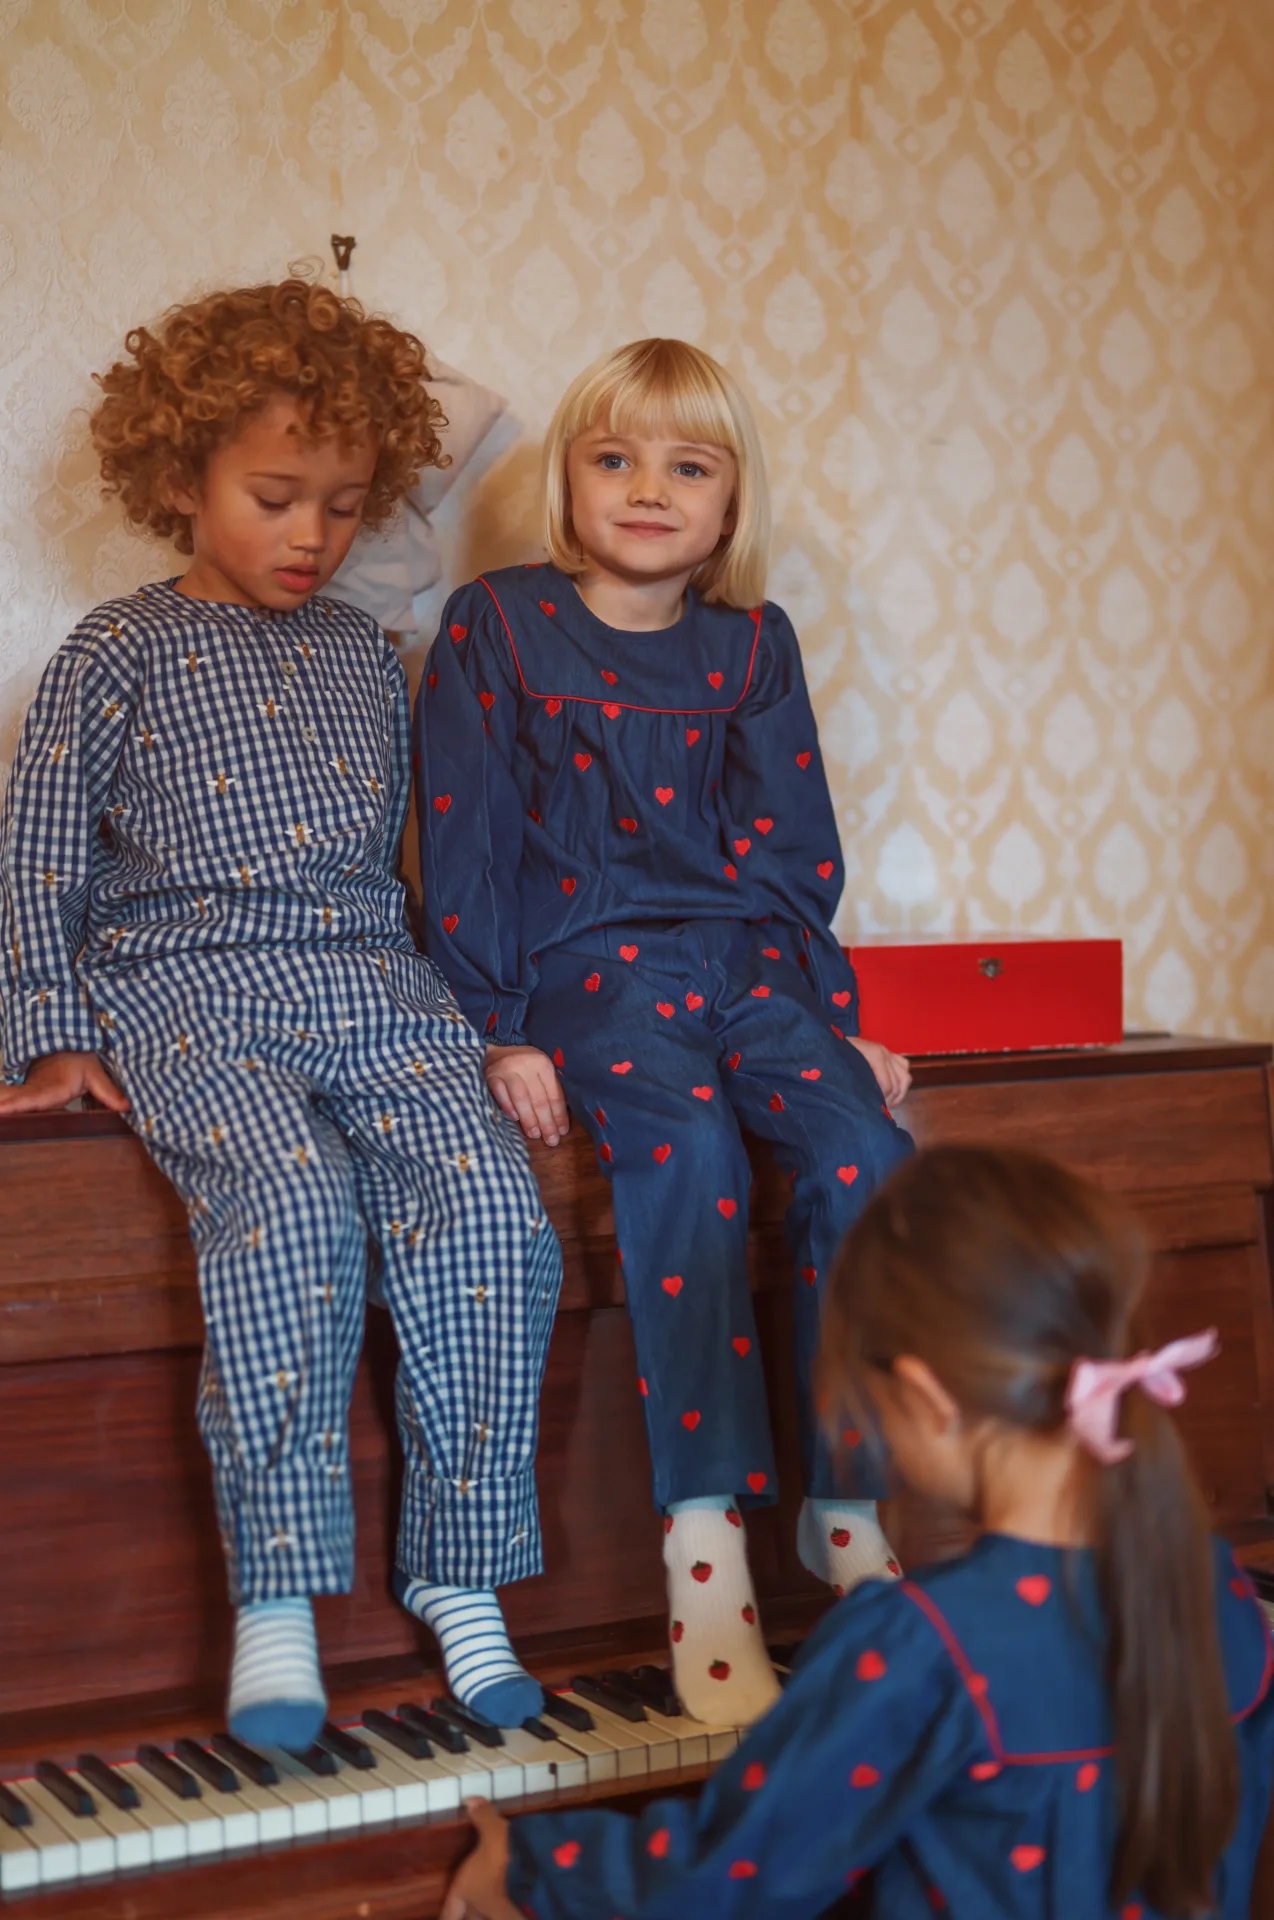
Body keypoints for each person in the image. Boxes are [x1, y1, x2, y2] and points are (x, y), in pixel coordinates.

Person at [0, 279, 562, 1747]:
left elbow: (417, 861)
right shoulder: (113, 653)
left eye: (344, 505)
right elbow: (39, 855)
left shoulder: (368, 662)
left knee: (492, 1211)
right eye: (274, 497)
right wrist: (52, 1034)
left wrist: (488, 1022)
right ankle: (278, 1595)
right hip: (185, 991)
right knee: (291, 1210)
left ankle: (460, 1569)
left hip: (373, 984)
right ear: (181, 478)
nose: (312, 534)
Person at [416, 337, 913, 1726]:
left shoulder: (752, 646)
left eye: (688, 467)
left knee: (869, 1152)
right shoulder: (496, 624)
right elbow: (463, 839)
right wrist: (493, 1024)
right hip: (584, 973)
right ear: (569, 481)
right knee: (687, 1153)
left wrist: (833, 1023)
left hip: (746, 966)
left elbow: (793, 853)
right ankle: (704, 1549)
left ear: (729, 500)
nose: (648, 490)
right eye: (614, 459)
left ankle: (846, 1506)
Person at [442, 1144, 1274, 1920]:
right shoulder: (1217, 1586)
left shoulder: (921, 1642)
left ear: (927, 1399)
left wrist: (524, 1864)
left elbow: (723, 1880)